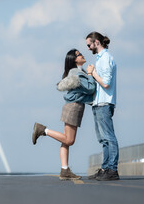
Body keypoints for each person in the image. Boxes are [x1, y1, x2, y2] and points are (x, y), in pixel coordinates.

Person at [32, 49, 96, 181]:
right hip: (74, 107)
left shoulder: (76, 72)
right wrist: (90, 74)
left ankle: (64, 170)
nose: (82, 54)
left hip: (71, 106)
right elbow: (90, 88)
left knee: (65, 140)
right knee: (69, 140)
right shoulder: (77, 73)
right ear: (74, 59)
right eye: (78, 54)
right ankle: (43, 129)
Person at [85, 31, 120, 181]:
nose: (88, 48)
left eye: (89, 45)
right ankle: (105, 168)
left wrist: (93, 74)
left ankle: (112, 170)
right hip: (98, 102)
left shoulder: (105, 58)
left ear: (96, 42)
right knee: (103, 139)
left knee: (109, 137)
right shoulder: (100, 59)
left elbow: (106, 83)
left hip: (104, 102)